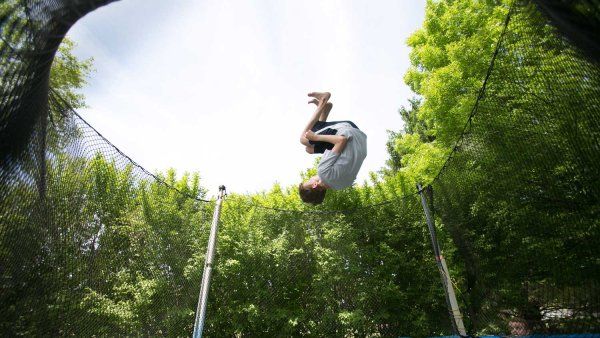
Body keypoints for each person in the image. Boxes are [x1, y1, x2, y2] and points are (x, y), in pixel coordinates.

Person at [298, 92, 367, 205]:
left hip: (359, 140)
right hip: (348, 132)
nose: (310, 177)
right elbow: (341, 141)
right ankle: (322, 101)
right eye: (309, 180)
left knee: (309, 149)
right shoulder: (323, 173)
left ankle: (325, 111)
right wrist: (314, 137)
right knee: (304, 139)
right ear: (315, 184)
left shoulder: (341, 185)